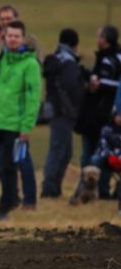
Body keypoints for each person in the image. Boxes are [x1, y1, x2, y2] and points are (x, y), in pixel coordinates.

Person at [0, 21, 41, 220]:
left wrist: (26, 126)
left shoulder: (30, 64)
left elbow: (33, 97)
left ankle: (5, 209)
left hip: (14, 125)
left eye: (16, 36)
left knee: (8, 168)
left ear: (23, 38)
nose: (13, 39)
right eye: (10, 36)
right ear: (5, 37)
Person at [0, 4, 38, 209]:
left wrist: (26, 121)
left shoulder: (29, 44)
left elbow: (33, 80)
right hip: (1, 114)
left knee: (22, 157)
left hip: (19, 115)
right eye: (2, 19)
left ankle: (30, 199)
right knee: (3, 160)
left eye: (9, 18)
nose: (5, 22)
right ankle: (12, 197)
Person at [73, 25, 120, 201]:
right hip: (108, 115)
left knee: (92, 154)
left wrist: (97, 83)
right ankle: (102, 190)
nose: (97, 39)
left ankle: (88, 188)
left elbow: (108, 84)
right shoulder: (116, 57)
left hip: (99, 115)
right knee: (103, 154)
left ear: (105, 39)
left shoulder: (108, 60)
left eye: (99, 36)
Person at [41, 29, 85, 199]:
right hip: (63, 112)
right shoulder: (68, 62)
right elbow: (72, 88)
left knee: (63, 150)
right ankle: (50, 189)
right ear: (75, 44)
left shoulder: (57, 58)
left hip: (55, 110)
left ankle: (53, 187)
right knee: (60, 150)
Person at [79, 115, 121, 205]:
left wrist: (118, 157)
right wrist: (110, 156)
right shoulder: (106, 129)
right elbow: (103, 144)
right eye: (118, 116)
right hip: (108, 155)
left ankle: (117, 193)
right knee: (95, 159)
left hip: (119, 158)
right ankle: (102, 192)